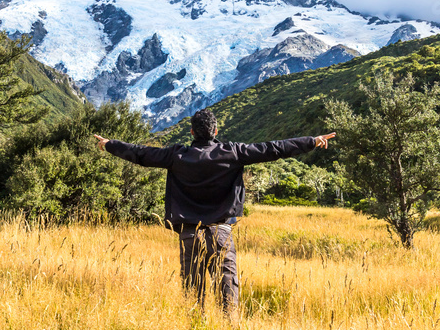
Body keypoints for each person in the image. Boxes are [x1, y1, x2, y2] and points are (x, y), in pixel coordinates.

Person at [94, 108, 335, 316]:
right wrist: (311, 141)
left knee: (193, 295)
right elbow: (273, 149)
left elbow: (140, 153)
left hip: (190, 234)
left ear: (192, 132)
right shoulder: (233, 152)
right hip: (221, 233)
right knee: (228, 293)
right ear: (216, 131)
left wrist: (110, 144)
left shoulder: (176, 155)